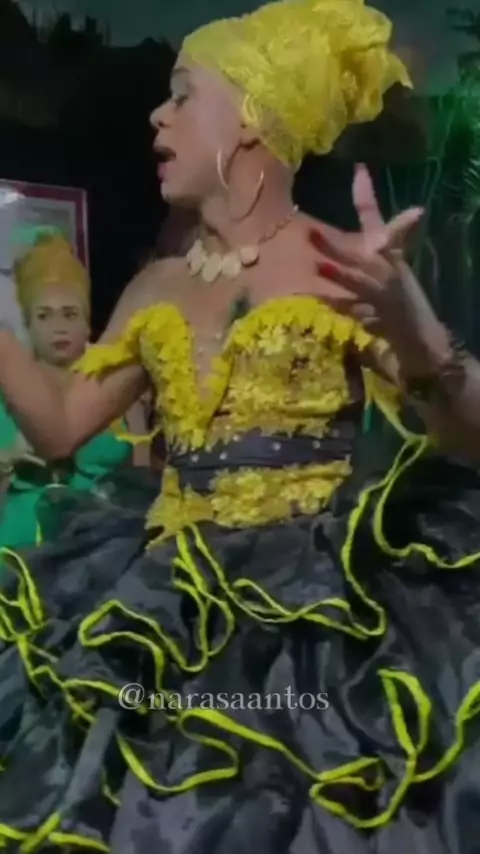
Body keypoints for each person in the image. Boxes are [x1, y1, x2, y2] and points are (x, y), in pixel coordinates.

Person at [1, 0, 480, 851]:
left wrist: (425, 342)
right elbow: (59, 426)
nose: (159, 115)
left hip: (307, 624)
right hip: (165, 607)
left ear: (254, 117)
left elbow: (466, 441)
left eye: (183, 95)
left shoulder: (343, 267)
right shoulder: (157, 287)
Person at [0, 231, 149, 552]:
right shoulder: (9, 390)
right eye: (44, 316)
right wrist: (7, 458)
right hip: (21, 541)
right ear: (28, 325)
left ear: (87, 324)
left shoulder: (116, 382)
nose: (58, 327)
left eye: (69, 314)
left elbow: (142, 477)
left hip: (106, 538)